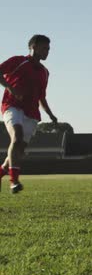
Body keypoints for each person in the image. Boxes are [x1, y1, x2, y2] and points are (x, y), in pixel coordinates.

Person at [0, 35, 58, 194]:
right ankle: (14, 181)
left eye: (49, 49)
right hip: (12, 106)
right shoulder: (18, 61)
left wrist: (51, 115)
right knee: (16, 138)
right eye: (44, 48)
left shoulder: (45, 72)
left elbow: (41, 97)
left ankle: (2, 171)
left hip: (32, 113)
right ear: (33, 46)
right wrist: (10, 88)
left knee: (19, 149)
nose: (47, 52)